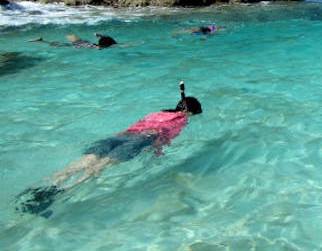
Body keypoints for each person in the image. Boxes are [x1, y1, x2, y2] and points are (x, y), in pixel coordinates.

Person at [16, 82, 202, 216]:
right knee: (98, 168)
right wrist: (157, 152)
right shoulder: (182, 120)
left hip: (121, 136)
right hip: (141, 140)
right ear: (188, 112)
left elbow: (136, 125)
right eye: (192, 114)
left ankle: (42, 186)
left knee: (84, 162)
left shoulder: (155, 113)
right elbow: (163, 136)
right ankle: (60, 194)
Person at [29, 33, 117, 48]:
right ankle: (42, 41)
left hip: (86, 43)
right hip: (81, 45)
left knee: (76, 39)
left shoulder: (98, 46)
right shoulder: (98, 48)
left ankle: (70, 35)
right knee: (61, 44)